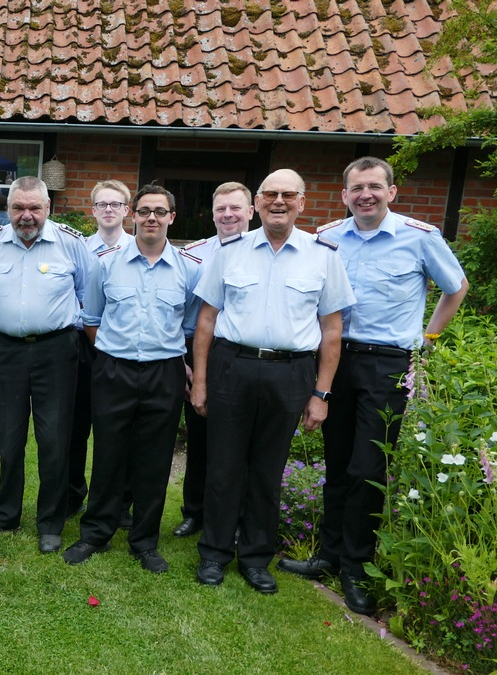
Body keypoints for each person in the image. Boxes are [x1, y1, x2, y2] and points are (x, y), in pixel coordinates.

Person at [277, 157, 468, 614]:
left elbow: (456, 287)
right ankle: (328, 555)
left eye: (375, 187)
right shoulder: (328, 239)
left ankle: (356, 568)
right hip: (336, 361)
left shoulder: (420, 238)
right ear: (344, 196)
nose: (366, 194)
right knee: (338, 462)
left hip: (386, 365)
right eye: (357, 188)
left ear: (392, 192)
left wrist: (429, 338)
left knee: (368, 468)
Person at [189, 169, 355, 593]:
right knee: (223, 467)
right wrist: (201, 381)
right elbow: (206, 320)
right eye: (269, 195)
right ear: (257, 203)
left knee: (268, 469)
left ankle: (256, 558)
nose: (278, 202)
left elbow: (332, 331)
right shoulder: (231, 251)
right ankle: (214, 553)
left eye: (287, 195)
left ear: (302, 201)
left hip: (290, 371)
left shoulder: (324, 256)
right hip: (232, 365)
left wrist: (321, 393)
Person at [62, 184, 201, 572]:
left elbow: (188, 324)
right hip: (114, 370)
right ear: (133, 215)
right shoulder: (105, 263)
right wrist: (115, 351)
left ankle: (144, 540)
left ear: (172, 217)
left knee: (154, 460)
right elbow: (92, 320)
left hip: (164, 373)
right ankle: (95, 533)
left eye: (160, 211)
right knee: (108, 453)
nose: (152, 218)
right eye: (144, 211)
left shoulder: (189, 269)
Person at [0, 176, 88, 554]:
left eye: (34, 208)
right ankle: (5, 514)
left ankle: (50, 522)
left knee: (54, 439)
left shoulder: (71, 243)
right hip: (6, 351)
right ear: (7, 210)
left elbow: (88, 297)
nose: (26, 215)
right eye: (19, 207)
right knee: (10, 437)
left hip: (56, 351)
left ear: (48, 208)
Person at [172, 181, 255, 539]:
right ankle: (195, 511)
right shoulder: (193, 255)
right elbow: (177, 310)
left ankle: (237, 518)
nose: (228, 215)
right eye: (221, 208)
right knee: (201, 434)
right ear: (212, 213)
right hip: (200, 349)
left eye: (236, 208)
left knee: (244, 440)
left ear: (251, 212)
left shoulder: (264, 251)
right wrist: (182, 358)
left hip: (243, 352)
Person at [68, 179, 136, 523]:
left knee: (118, 428)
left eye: (116, 204)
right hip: (83, 346)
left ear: (127, 210)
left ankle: (118, 503)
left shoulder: (139, 248)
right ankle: (72, 495)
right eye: (102, 204)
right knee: (76, 425)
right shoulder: (78, 248)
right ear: (93, 211)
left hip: (121, 347)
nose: (109, 210)